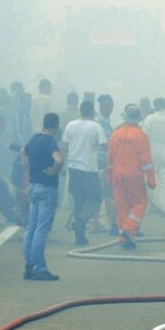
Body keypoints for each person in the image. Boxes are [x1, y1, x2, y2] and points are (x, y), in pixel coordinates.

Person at [107, 105, 155, 249]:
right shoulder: (140, 135)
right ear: (139, 118)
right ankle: (129, 228)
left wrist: (109, 176)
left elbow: (110, 158)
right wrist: (151, 179)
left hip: (117, 174)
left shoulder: (115, 134)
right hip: (133, 174)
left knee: (122, 206)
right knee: (140, 203)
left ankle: (124, 238)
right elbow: (146, 160)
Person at [23, 112, 64, 281]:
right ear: (56, 126)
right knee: (42, 229)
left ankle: (29, 266)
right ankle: (40, 268)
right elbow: (59, 160)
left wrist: (30, 171)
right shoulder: (49, 141)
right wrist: (54, 170)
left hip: (33, 185)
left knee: (31, 228)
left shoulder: (34, 139)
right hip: (47, 187)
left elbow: (23, 153)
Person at [60, 100, 106, 246]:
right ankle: (81, 220)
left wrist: (61, 165)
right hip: (89, 169)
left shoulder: (70, 125)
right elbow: (105, 146)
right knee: (96, 198)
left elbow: (64, 147)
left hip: (73, 168)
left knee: (79, 201)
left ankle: (79, 238)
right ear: (92, 112)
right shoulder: (96, 126)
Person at [142, 97, 165, 213]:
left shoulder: (149, 119)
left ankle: (148, 205)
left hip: (151, 151)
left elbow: (144, 136)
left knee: (149, 178)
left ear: (154, 105)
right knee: (164, 180)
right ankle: (163, 207)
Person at [94, 94, 118, 235]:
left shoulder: (107, 121)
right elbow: (105, 144)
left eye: (111, 104)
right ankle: (106, 223)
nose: (109, 107)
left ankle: (98, 223)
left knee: (102, 193)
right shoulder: (99, 122)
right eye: (107, 104)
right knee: (105, 194)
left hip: (106, 160)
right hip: (102, 160)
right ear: (101, 106)